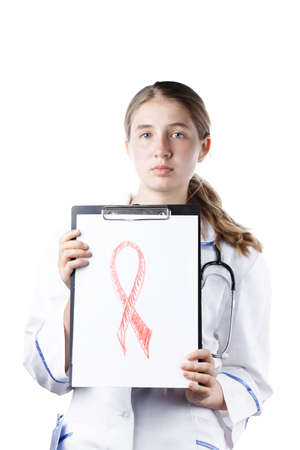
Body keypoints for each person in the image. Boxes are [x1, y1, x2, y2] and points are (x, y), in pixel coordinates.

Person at [23, 81, 273, 450]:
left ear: (203, 147)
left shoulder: (239, 256)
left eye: (177, 133)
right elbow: (45, 373)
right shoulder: (79, 242)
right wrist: (75, 298)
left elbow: (253, 377)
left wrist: (216, 390)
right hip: (93, 438)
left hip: (181, 438)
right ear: (128, 147)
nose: (161, 149)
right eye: (145, 134)